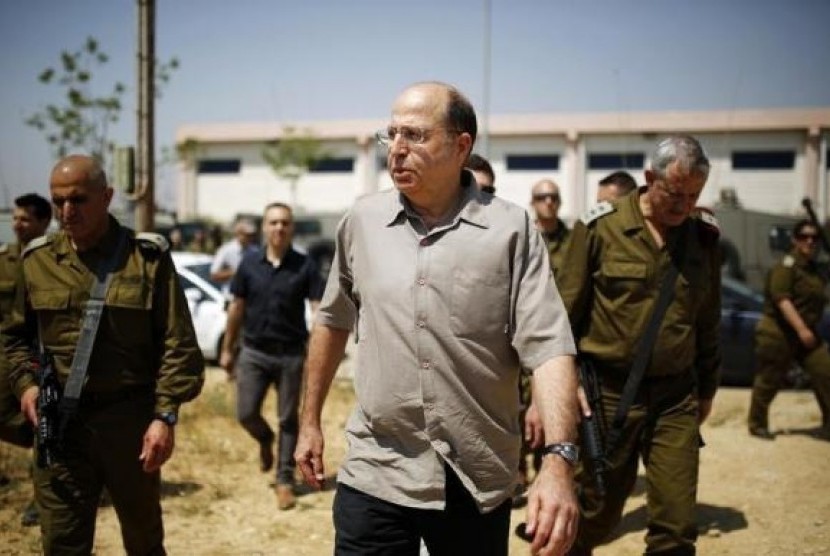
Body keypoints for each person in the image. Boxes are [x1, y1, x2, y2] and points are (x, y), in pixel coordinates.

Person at [294, 81, 580, 556]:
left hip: (476, 475)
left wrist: (557, 461)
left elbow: (548, 346)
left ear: (461, 146)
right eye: (392, 135)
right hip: (378, 466)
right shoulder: (361, 223)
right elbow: (332, 320)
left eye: (416, 136)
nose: (397, 150)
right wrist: (309, 421)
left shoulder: (511, 229)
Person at [2, 155, 205, 554]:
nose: (66, 211)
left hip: (128, 424)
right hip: (62, 428)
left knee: (143, 540)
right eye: (58, 201)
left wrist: (164, 415)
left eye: (78, 199)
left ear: (107, 196)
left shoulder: (145, 258)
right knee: (62, 542)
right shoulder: (37, 261)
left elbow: (177, 344)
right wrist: (26, 387)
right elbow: (13, 338)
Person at [557, 135, 721, 555]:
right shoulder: (600, 227)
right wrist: (564, 383)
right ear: (650, 178)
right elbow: (562, 315)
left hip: (675, 398)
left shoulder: (702, 239)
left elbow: (707, 321)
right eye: (674, 192)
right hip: (608, 397)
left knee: (677, 526)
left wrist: (706, 388)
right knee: (595, 513)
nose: (683, 205)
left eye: (693, 195)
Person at [219, 202, 324, 511]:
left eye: (285, 223)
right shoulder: (248, 265)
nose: (279, 228)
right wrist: (227, 348)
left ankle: (284, 480)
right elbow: (236, 308)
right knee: (246, 413)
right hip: (253, 352)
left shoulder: (305, 266)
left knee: (288, 420)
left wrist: (320, 345)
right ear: (264, 228)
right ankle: (265, 440)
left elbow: (318, 310)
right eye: (273, 223)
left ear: (292, 228)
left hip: (291, 354)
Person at [748, 219, 830, 440]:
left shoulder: (815, 270)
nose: (810, 241)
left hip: (807, 333)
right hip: (779, 332)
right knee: (769, 380)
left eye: (814, 237)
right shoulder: (786, 266)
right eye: (804, 236)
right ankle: (757, 424)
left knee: (825, 372)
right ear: (795, 240)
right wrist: (802, 329)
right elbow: (782, 300)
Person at [0, 193, 52, 527]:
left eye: (25, 219)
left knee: (42, 425)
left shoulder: (53, 259)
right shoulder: (3, 260)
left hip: (41, 353)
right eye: (15, 218)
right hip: (6, 352)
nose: (18, 224)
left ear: (43, 222)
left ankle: (43, 497)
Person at [531, 179, 570, 275]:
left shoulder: (574, 241)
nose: (549, 202)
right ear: (532, 203)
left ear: (560, 202)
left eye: (554, 197)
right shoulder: (523, 240)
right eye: (541, 197)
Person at [210, 217, 259, 287]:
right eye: (247, 235)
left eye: (252, 235)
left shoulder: (255, 250)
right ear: (238, 234)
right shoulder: (226, 250)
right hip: (231, 296)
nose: (250, 238)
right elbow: (214, 275)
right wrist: (235, 272)